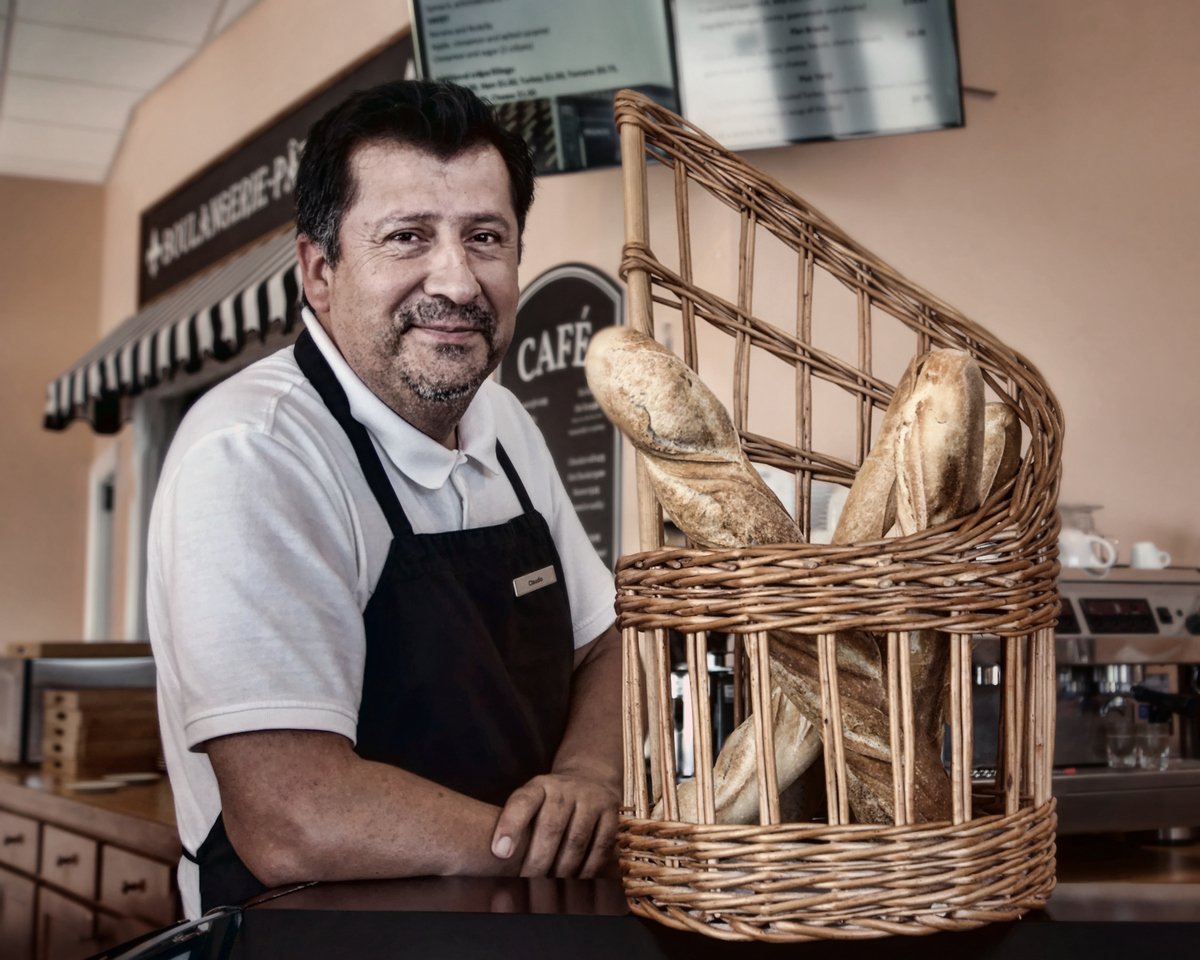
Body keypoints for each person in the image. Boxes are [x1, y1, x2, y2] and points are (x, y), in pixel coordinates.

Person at [147, 81, 622, 920]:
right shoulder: (255, 452)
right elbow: (296, 816)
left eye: (486, 237)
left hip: (524, 923)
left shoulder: (504, 420)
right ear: (320, 272)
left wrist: (590, 778)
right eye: (407, 237)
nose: (459, 279)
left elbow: (609, 645)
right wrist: (549, 851)